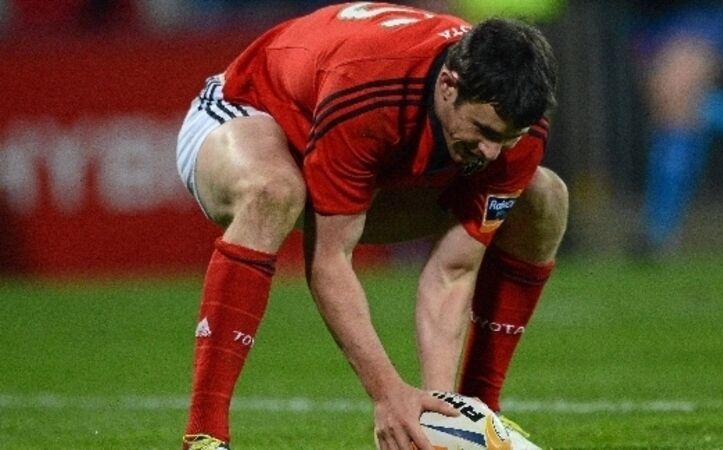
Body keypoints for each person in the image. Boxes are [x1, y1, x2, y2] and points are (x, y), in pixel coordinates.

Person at [175, 2, 567, 450]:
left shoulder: (517, 126)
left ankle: (481, 412)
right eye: (484, 131)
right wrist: (388, 394)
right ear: (448, 85)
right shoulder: (369, 88)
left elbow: (454, 269)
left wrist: (442, 418)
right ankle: (204, 433)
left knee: (544, 198)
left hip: (352, 152)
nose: (493, 152)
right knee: (275, 191)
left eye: (507, 138)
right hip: (249, 109)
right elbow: (329, 260)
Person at [628, 0, 723, 257]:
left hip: (702, 11)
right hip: (644, 16)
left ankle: (658, 229)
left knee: (674, 103)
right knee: (670, 111)